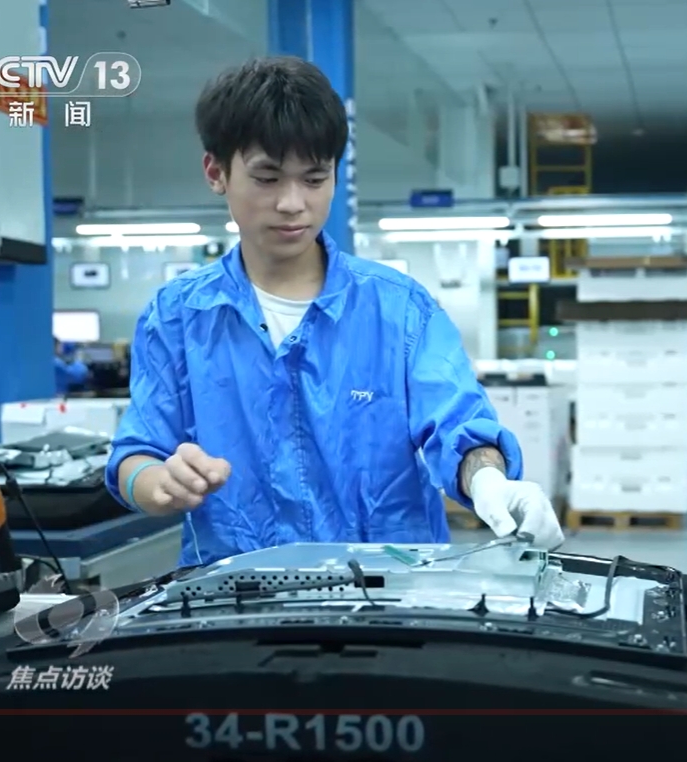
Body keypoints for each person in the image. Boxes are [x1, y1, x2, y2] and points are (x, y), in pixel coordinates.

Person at [105, 57, 563, 566]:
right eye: (267, 178)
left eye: (314, 178)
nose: (292, 203)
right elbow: (135, 453)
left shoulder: (400, 310)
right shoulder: (177, 317)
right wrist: (158, 482)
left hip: (391, 594)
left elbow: (458, 423)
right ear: (217, 172)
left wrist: (490, 481)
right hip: (236, 595)